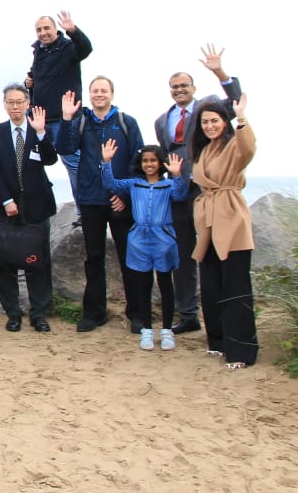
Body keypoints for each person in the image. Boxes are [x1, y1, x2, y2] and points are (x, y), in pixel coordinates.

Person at [152, 45, 242, 335]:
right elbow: (167, 155)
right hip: (178, 193)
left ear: (193, 87)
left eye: (183, 85)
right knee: (183, 255)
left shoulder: (209, 108)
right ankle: (188, 314)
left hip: (208, 191)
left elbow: (236, 102)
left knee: (215, 252)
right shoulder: (160, 121)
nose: (179, 90)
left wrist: (220, 71)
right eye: (174, 87)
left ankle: (224, 314)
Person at [56, 77, 146, 332]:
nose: (99, 94)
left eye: (103, 90)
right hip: (91, 199)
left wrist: (125, 194)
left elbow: (138, 162)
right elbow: (64, 146)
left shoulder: (126, 122)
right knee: (93, 258)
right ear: (90, 94)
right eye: (95, 91)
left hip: (120, 202)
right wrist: (65, 117)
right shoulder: (82, 120)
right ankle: (94, 313)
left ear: (112, 94)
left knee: (129, 257)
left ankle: (137, 314)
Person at [189, 94, 257, 369]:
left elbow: (249, 149)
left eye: (214, 120)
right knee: (211, 285)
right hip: (207, 222)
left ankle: (241, 352)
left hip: (230, 219)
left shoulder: (233, 146)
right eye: (205, 122)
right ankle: (218, 342)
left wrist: (241, 117)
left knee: (235, 287)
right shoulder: (205, 149)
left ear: (223, 122)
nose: (209, 126)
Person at [101, 141, 188, 351]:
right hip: (139, 239)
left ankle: (167, 330)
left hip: (163, 238)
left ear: (160, 163)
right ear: (140, 163)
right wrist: (106, 162)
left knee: (166, 284)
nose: (149, 164)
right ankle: (147, 330)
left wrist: (177, 174)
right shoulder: (133, 184)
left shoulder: (168, 186)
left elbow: (181, 194)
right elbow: (110, 183)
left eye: (153, 160)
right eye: (145, 161)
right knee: (143, 285)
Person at [0, 84, 58, 333]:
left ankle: (39, 313)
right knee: (4, 261)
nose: (15, 107)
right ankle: (12, 313)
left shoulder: (39, 130)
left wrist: (40, 133)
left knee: (38, 261)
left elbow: (50, 159)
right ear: (4, 104)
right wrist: (6, 200)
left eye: (19, 102)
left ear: (27, 103)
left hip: (37, 206)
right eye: (10, 102)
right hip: (5, 206)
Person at [25, 11, 92, 203]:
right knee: (18, 152)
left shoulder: (68, 47)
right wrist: (28, 82)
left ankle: (84, 208)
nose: (43, 33)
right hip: (39, 118)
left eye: (46, 28)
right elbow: (34, 76)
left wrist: (73, 31)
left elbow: (85, 49)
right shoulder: (39, 51)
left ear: (56, 29)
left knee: (72, 162)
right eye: (39, 30)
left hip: (65, 118)